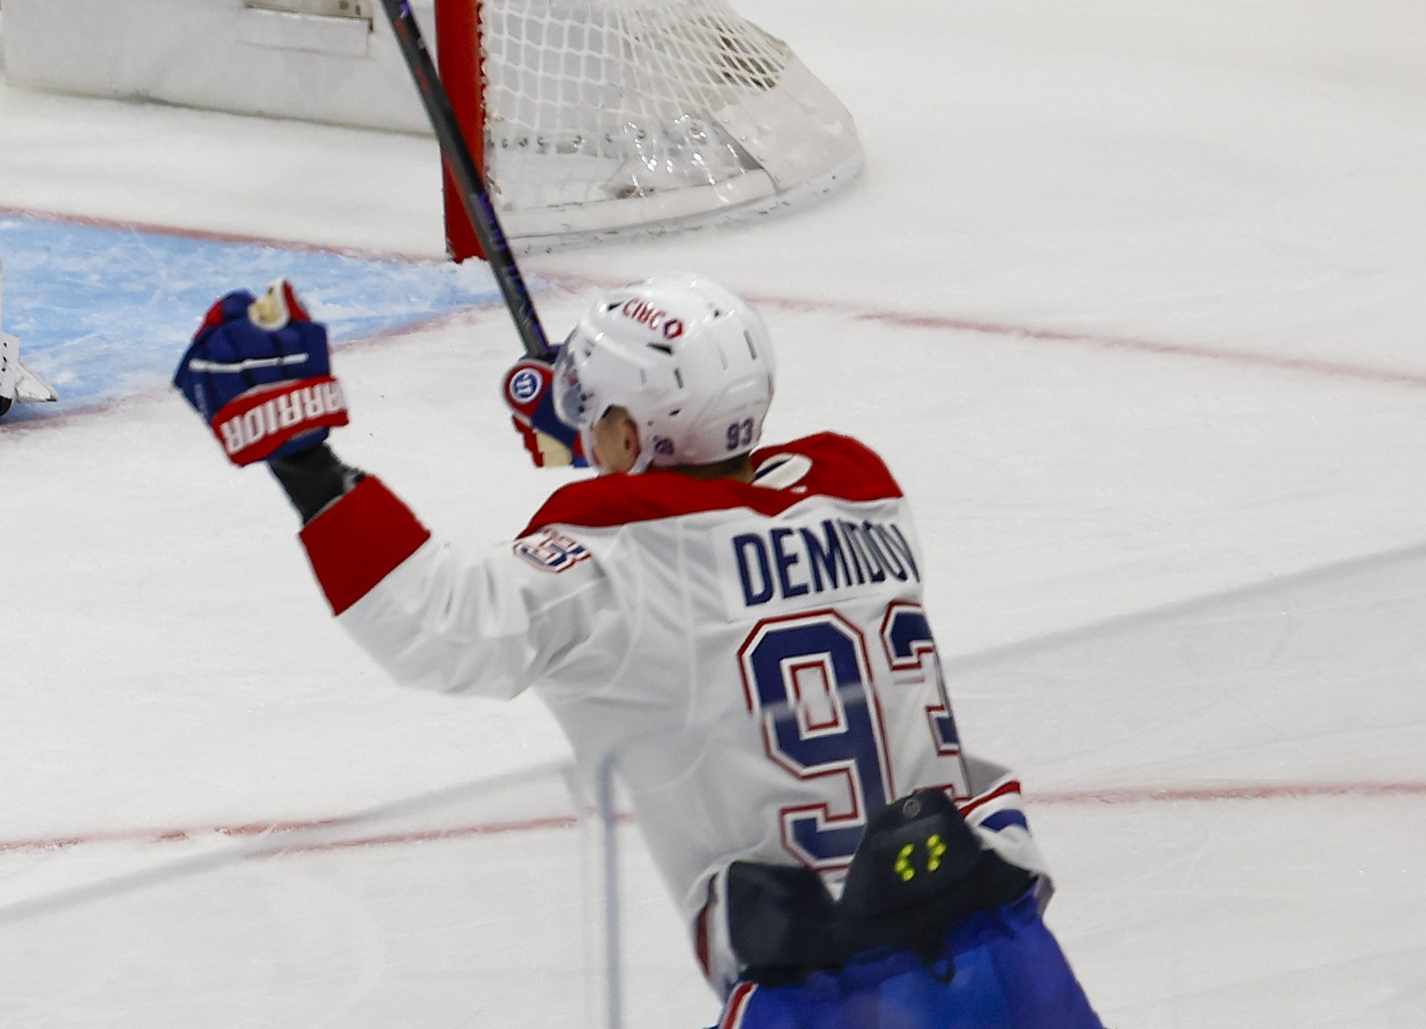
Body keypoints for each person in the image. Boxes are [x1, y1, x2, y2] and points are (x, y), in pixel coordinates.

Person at [173, 277, 1103, 1026]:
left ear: (627, 432)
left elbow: (438, 622)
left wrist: (301, 459)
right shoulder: (864, 495)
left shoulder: (617, 566)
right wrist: (604, 432)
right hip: (1002, 944)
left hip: (827, 992)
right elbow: (721, 515)